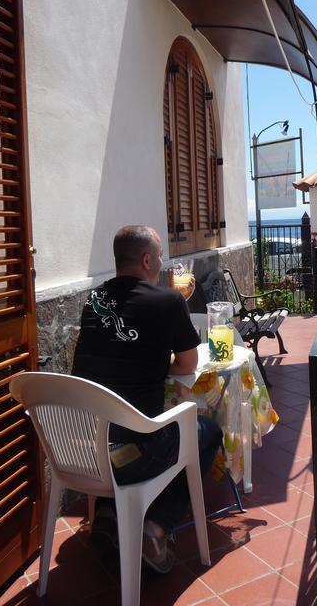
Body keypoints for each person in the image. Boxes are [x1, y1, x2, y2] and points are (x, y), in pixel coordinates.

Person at [71, 225, 222, 573]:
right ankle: (156, 528)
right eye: (159, 256)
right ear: (146, 259)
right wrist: (161, 361)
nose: (162, 263)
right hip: (136, 454)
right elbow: (187, 363)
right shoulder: (168, 300)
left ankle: (108, 515)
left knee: (123, 425)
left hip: (87, 450)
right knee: (207, 431)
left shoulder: (94, 301)